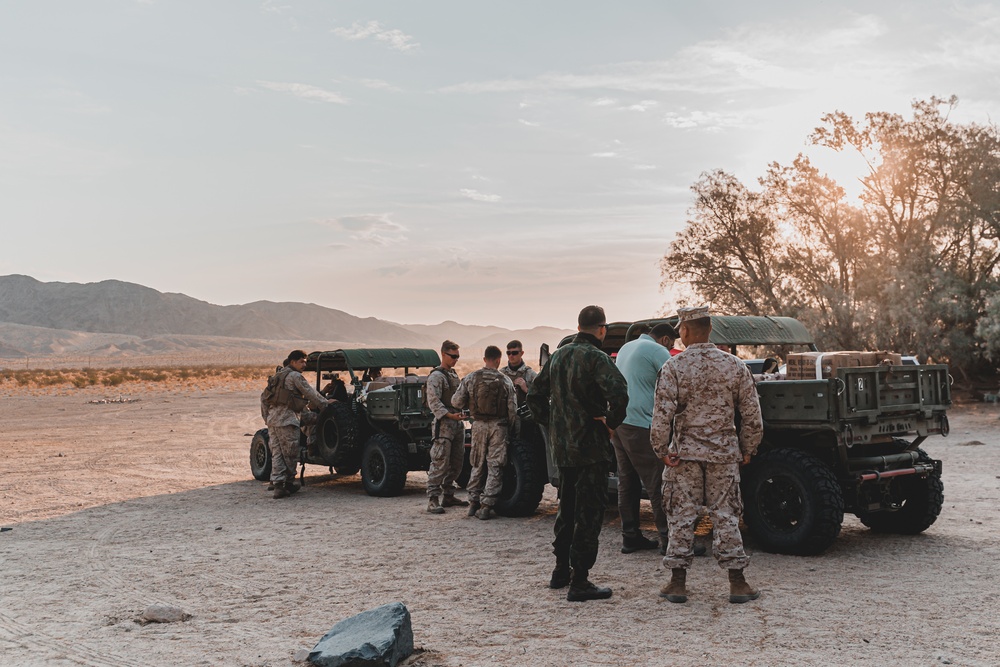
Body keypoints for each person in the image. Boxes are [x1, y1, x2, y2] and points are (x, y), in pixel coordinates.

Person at [650, 307, 764, 604]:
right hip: (723, 455)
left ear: (684, 332)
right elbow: (752, 414)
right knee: (726, 516)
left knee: (681, 516)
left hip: (684, 456)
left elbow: (662, 415)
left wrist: (662, 450)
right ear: (710, 329)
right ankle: (737, 583)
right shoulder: (735, 366)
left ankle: (677, 583)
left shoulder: (673, 367)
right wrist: (748, 448)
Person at [526, 305, 628, 602]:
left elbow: (534, 396)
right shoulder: (597, 359)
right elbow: (620, 394)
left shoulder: (558, 357)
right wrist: (610, 422)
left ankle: (560, 571)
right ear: (601, 329)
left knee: (566, 508)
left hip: (563, 449)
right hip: (590, 450)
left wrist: (554, 424)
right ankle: (580, 581)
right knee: (588, 513)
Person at [611, 322, 677, 555]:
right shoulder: (659, 351)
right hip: (640, 424)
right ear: (666, 339)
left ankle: (630, 537)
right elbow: (676, 381)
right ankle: (669, 540)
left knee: (626, 481)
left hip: (620, 423)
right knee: (657, 481)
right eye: (672, 344)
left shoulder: (627, 347)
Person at [451, 345, 517, 520]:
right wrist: (509, 428)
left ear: (484, 359)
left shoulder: (471, 378)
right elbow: (512, 409)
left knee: (477, 463)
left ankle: (473, 503)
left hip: (478, 425)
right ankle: (487, 506)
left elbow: (456, 402)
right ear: (498, 360)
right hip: (498, 426)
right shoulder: (505, 380)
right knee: (495, 465)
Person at [260, 350, 330, 499]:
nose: (304, 364)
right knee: (290, 453)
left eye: (305, 361)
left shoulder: (277, 376)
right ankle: (289, 483)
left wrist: (267, 417)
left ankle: (278, 484)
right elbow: (310, 392)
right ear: (292, 362)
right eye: (301, 361)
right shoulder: (295, 376)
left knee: (277, 453)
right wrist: (326, 405)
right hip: (288, 420)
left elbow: (264, 398)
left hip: (273, 421)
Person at [425, 340, 469, 513]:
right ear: (443, 354)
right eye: (453, 356)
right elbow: (433, 402)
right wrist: (450, 415)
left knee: (457, 461)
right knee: (440, 461)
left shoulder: (452, 374)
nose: (456, 359)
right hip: (444, 424)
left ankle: (448, 495)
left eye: (458, 356)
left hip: (456, 423)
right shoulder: (436, 376)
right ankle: (433, 498)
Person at [500, 339, 537, 408]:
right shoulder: (501, 374)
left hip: (525, 416)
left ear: (522, 353)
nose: (511, 356)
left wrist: (526, 389)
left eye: (514, 353)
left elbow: (541, 397)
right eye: (508, 353)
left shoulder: (530, 374)